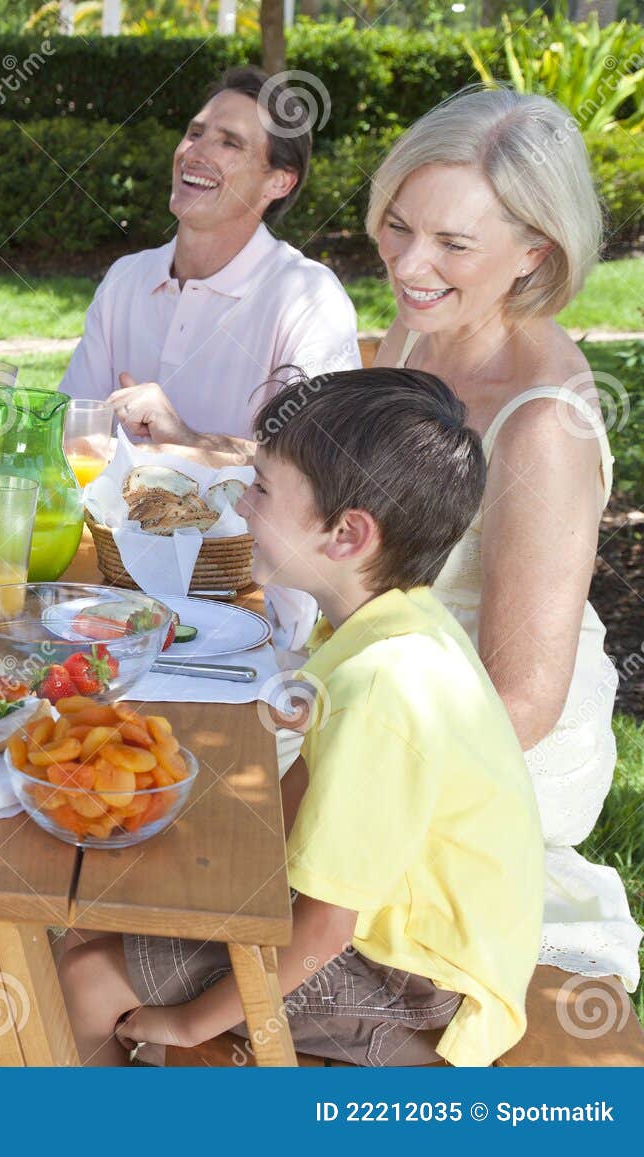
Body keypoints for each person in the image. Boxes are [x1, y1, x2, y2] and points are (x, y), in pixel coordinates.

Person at [60, 369, 544, 1067]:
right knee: (92, 928)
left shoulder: (382, 686)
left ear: (346, 534)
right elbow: (296, 807)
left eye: (259, 488)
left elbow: (324, 926)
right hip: (401, 953)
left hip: (417, 996)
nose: (239, 502)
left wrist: (194, 1021)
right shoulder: (390, 627)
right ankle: (49, 1063)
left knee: (90, 974)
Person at [366, 88, 640, 988]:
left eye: (452, 244)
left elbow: (519, 699)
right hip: (395, 675)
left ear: (535, 253)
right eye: (399, 224)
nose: (409, 263)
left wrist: (346, 765)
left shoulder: (543, 425)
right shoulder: (426, 320)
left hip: (492, 741)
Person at [62, 67, 360, 447]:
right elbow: (72, 429)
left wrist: (189, 441)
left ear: (280, 181)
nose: (195, 152)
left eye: (230, 143)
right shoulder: (125, 277)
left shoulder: (309, 299)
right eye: (195, 132)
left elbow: (320, 462)